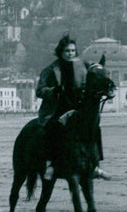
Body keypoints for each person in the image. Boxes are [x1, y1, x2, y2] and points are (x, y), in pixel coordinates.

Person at [36, 33, 109, 181]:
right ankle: (50, 164)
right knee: (53, 128)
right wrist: (53, 91)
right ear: (60, 52)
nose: (70, 54)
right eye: (67, 51)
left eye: (72, 51)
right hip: (57, 108)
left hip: (77, 108)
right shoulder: (51, 70)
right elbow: (39, 91)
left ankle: (95, 165)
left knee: (94, 128)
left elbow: (96, 74)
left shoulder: (83, 65)